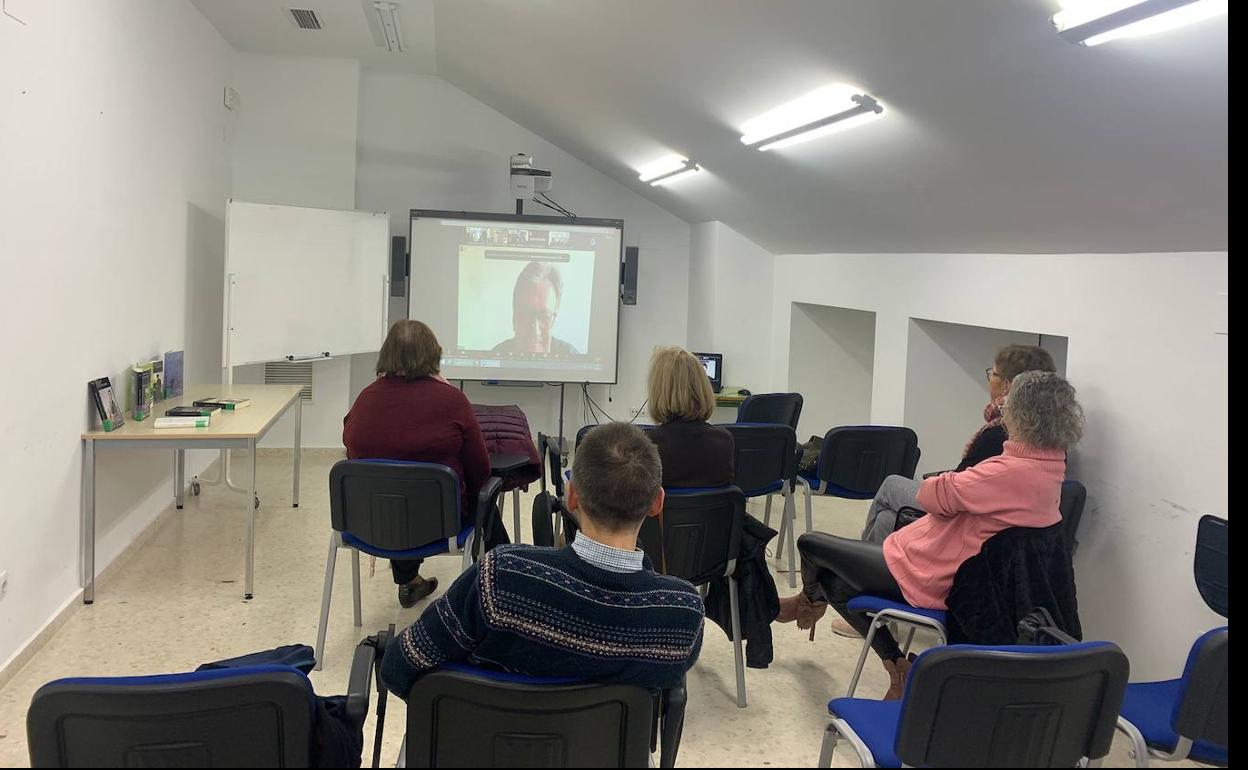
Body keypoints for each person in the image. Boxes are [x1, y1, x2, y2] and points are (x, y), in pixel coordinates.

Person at [775, 371, 1084, 700]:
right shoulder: (1051, 467)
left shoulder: (1011, 471)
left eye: (1008, 404)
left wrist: (954, 484)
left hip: (927, 571)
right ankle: (897, 666)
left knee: (811, 545)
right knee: (834, 581)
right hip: (938, 561)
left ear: (1022, 413)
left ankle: (808, 601)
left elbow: (930, 495)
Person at [380, 422, 705, 696]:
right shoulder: (682, 613)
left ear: (573, 495)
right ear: (657, 503)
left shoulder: (502, 577)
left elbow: (399, 666)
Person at [343, 320, 503, 609]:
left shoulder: (364, 400)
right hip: (443, 523)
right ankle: (506, 585)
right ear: (434, 355)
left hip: (370, 523)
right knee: (487, 496)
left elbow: (353, 453)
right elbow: (480, 469)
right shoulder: (451, 400)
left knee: (393, 488)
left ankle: (409, 581)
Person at [860, 345, 1057, 544]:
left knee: (892, 484)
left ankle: (856, 560)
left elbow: (962, 489)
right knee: (887, 520)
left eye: (993, 374)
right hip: (996, 522)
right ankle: (866, 563)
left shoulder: (999, 434)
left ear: (1007, 385)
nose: (989, 379)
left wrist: (941, 481)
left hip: (965, 518)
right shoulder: (1050, 436)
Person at [645, 346, 735, 488]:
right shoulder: (724, 441)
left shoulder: (648, 446)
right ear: (703, 386)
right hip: (711, 511)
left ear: (657, 391)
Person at [491, 261, 579, 355]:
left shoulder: (570, 355)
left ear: (553, 320)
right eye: (526, 315)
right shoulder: (496, 355)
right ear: (514, 318)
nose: (535, 332)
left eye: (544, 317)